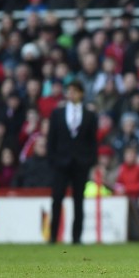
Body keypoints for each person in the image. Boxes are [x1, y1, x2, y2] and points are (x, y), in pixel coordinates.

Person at [47, 80, 98, 244]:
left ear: (81, 93)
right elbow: (51, 139)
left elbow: (92, 141)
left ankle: (77, 237)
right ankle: (53, 236)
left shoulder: (90, 115)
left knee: (79, 201)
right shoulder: (57, 113)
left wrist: (90, 161)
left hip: (80, 164)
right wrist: (53, 160)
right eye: (69, 91)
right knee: (57, 200)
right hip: (61, 163)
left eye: (75, 91)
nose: (71, 94)